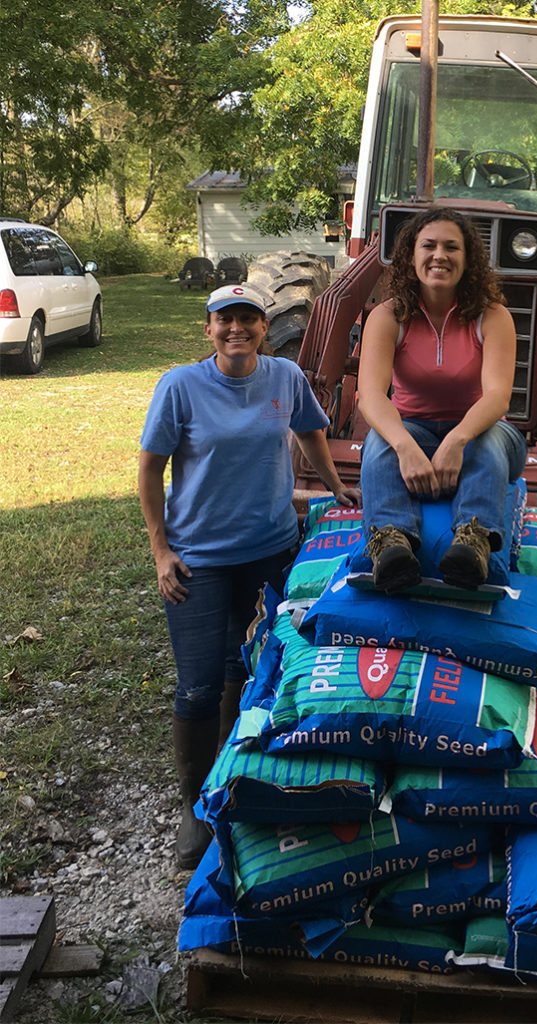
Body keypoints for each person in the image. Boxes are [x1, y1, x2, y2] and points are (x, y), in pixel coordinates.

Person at [139, 283, 358, 869]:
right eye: (225, 319)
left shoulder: (285, 377)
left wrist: (335, 487)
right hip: (199, 558)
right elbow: (150, 468)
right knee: (199, 685)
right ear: (208, 328)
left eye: (249, 319)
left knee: (248, 667)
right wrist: (161, 551)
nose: (237, 328)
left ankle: (229, 776)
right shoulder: (180, 386)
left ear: (265, 327)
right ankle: (192, 807)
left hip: (269, 552)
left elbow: (310, 428)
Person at [357, 207, 527, 592]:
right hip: (414, 428)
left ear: (468, 260)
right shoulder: (388, 316)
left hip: (484, 433)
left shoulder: (493, 316)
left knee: (489, 439)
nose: (439, 255)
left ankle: (474, 540)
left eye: (452, 247)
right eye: (428, 245)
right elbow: (370, 396)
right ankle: (391, 543)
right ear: (411, 255)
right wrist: (405, 447)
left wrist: (456, 440)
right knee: (378, 442)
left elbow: (498, 398)